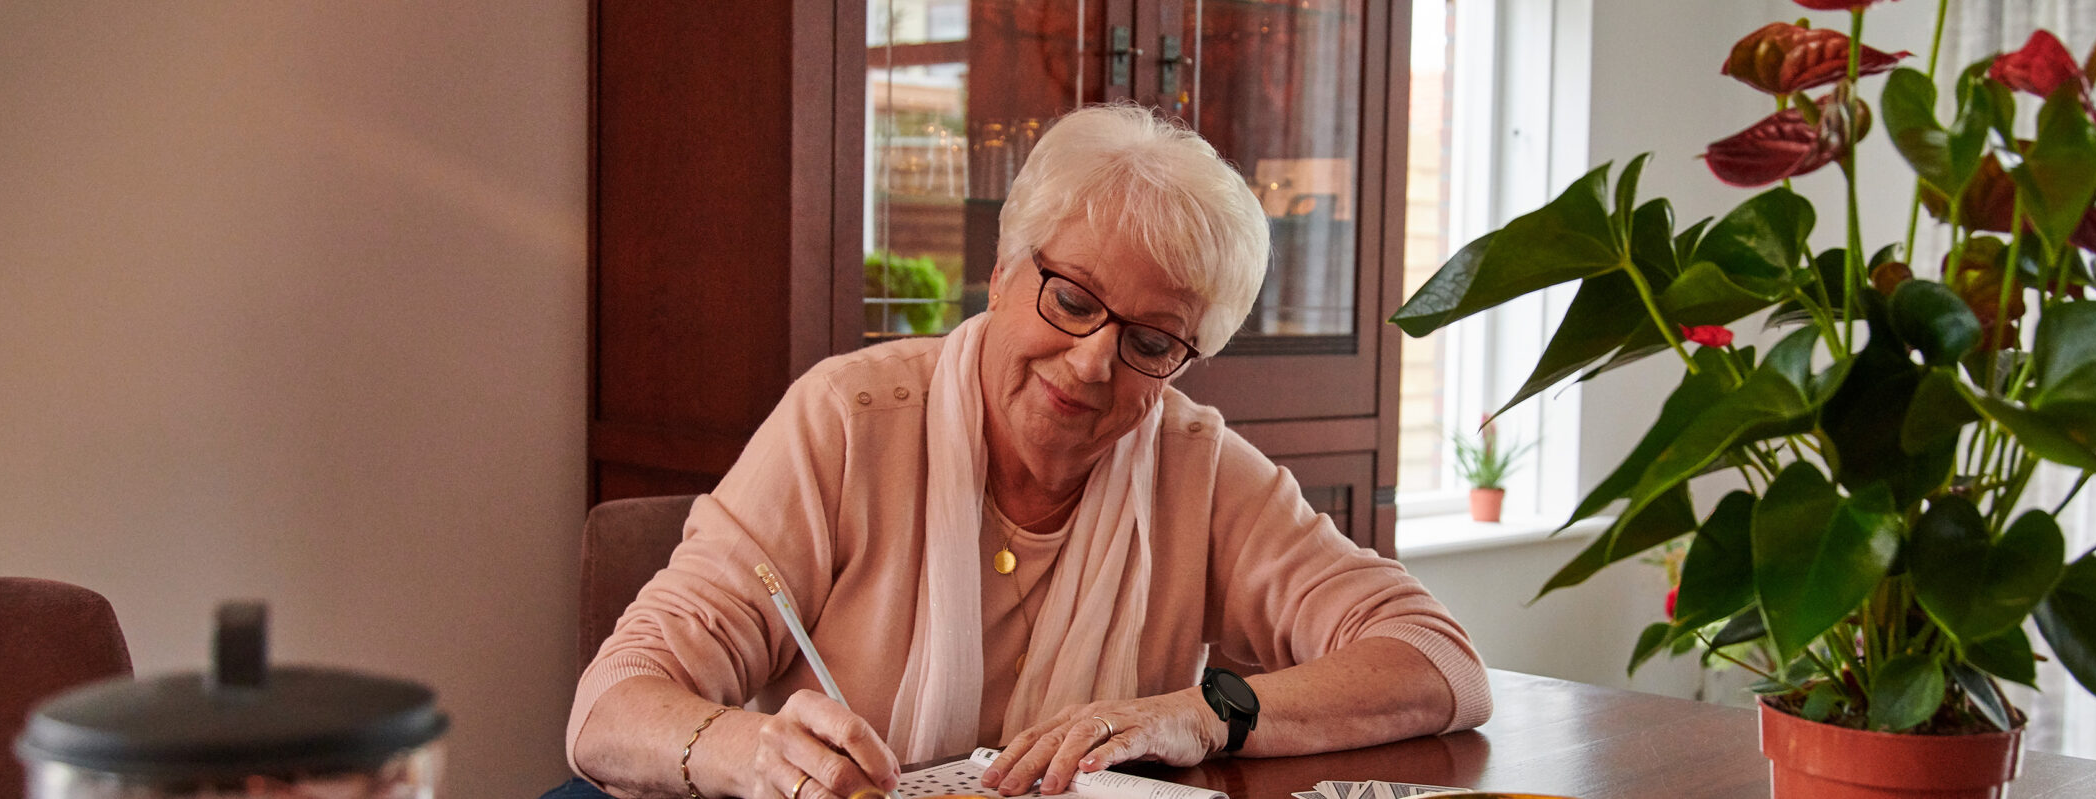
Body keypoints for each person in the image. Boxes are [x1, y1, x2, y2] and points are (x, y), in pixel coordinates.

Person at [560, 104, 1490, 799]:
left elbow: (1438, 659)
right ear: (1002, 272)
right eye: (1072, 298)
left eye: (1150, 340)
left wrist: (1203, 712)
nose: (1091, 362)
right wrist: (753, 751)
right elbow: (611, 705)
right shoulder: (845, 421)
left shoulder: (1197, 469)